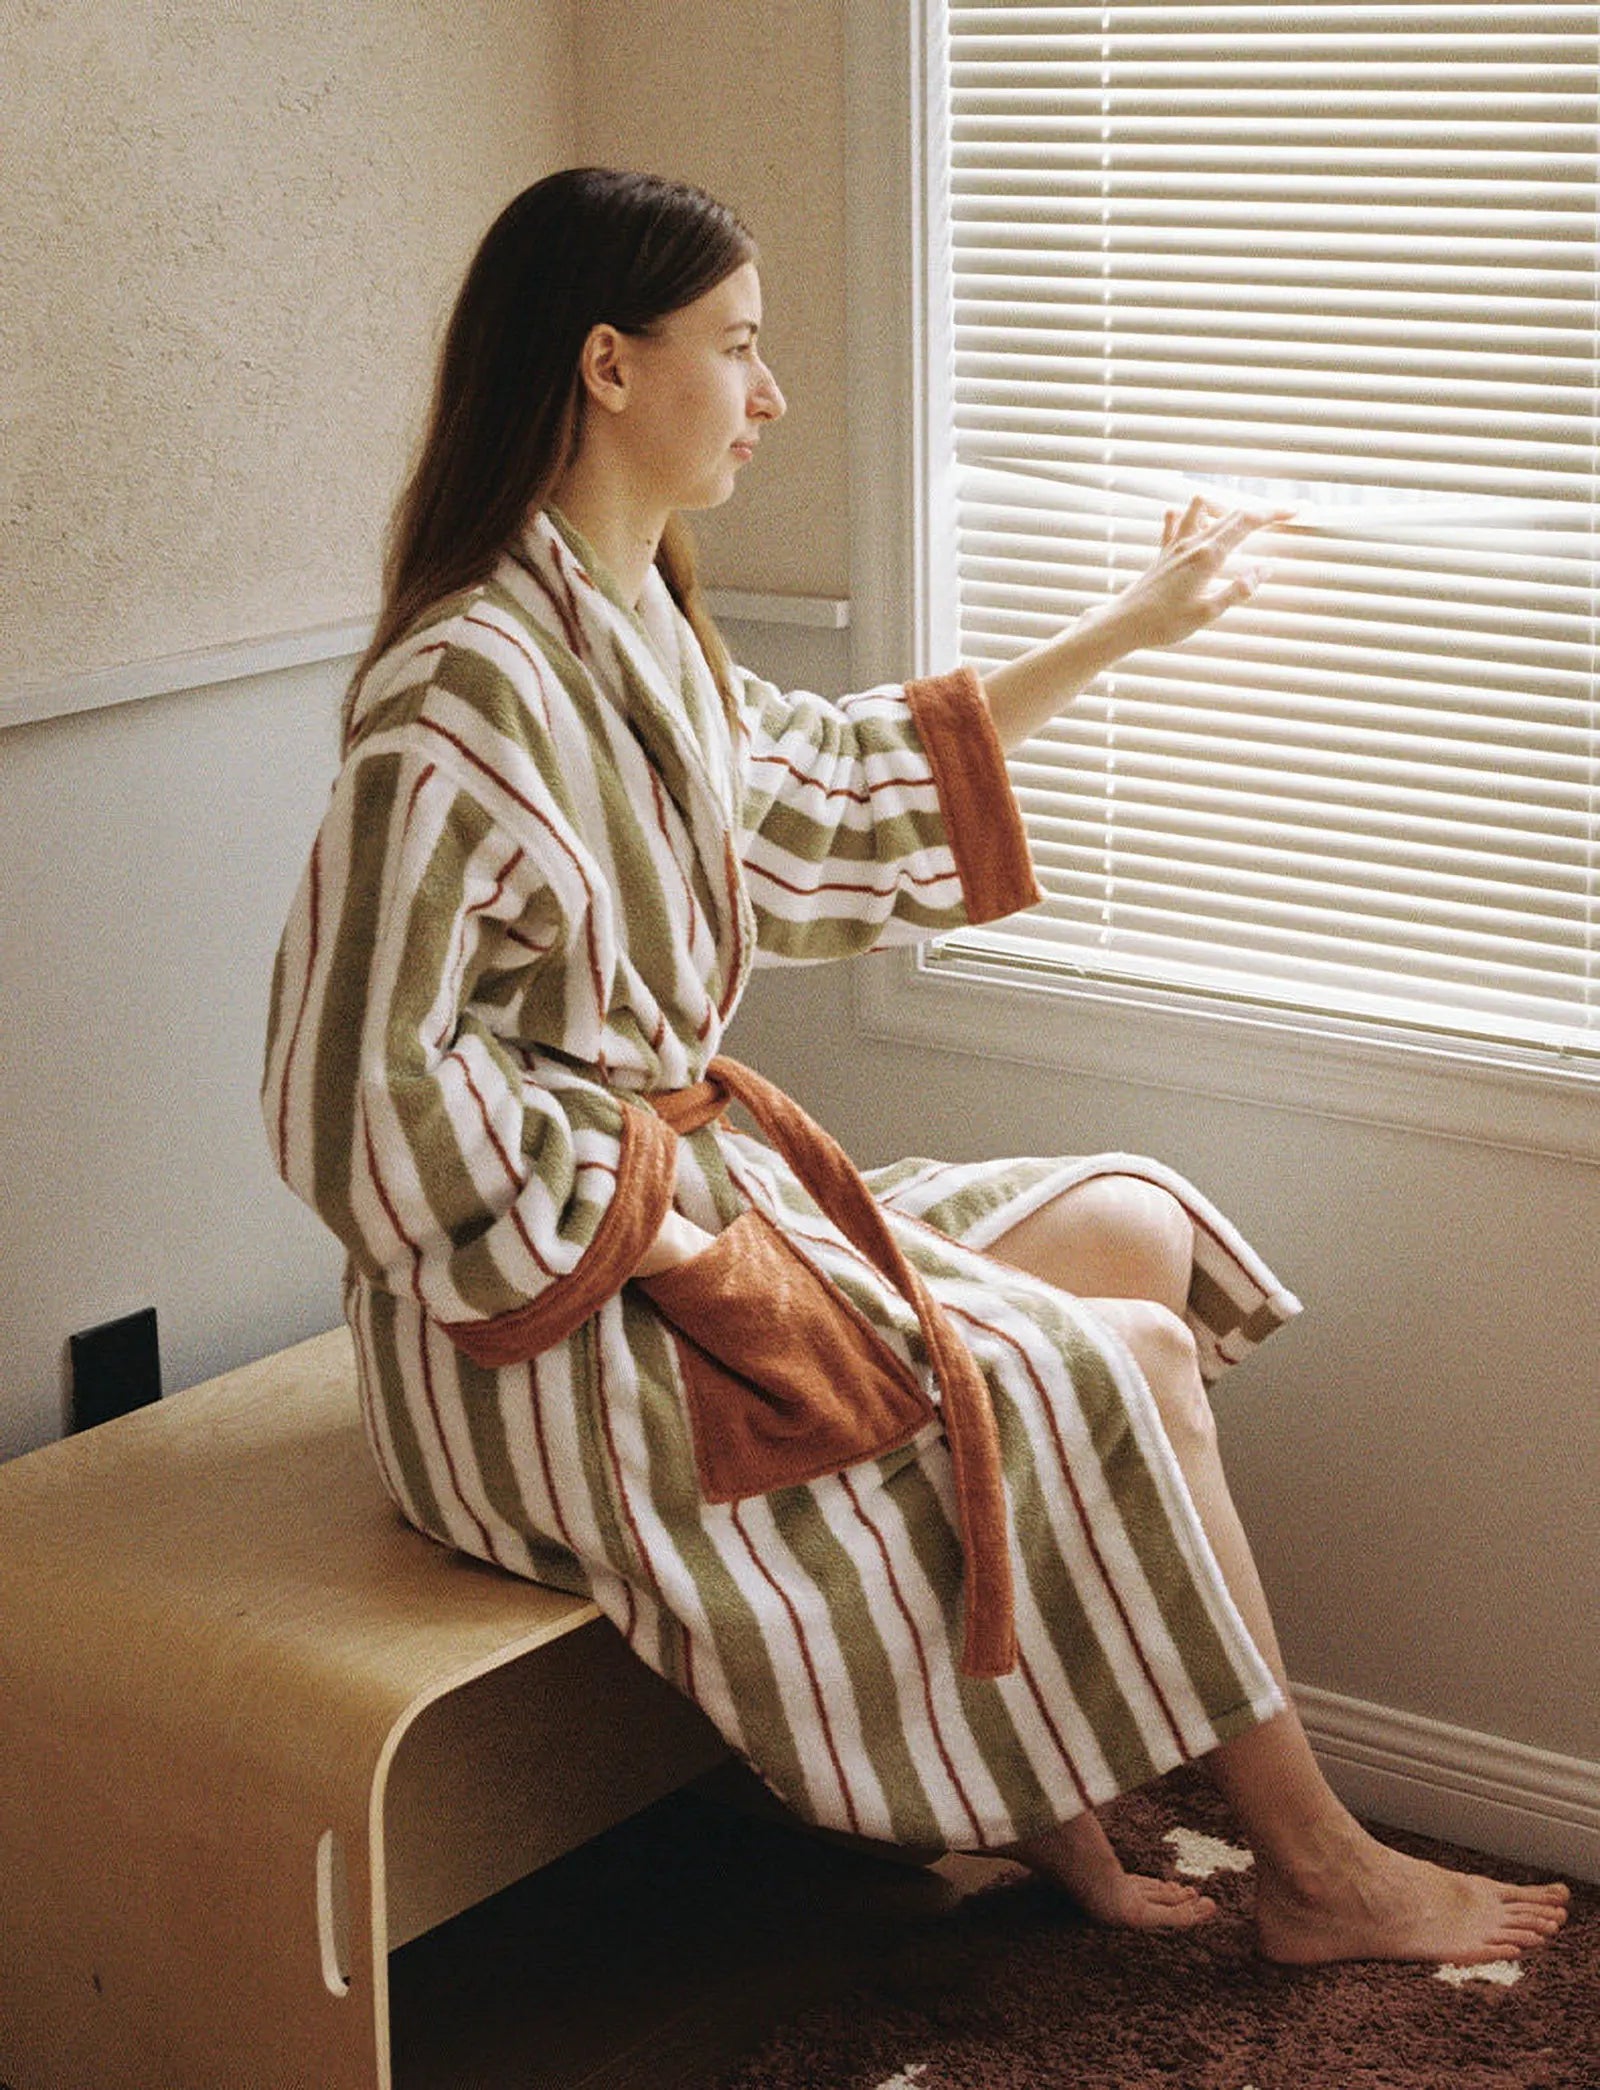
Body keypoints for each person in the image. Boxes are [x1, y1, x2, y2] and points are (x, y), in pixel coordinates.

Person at [263, 166, 1568, 1964]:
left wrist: (1133, 622)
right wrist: (660, 1237)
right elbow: (358, 1101)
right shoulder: (461, 695)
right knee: (1111, 1356)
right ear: (608, 366)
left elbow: (841, 791)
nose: (772, 389)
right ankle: (1319, 1867)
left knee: (1128, 1229)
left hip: (679, 1225)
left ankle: (1054, 1794)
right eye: (740, 342)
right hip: (539, 1332)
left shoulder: (639, 628)